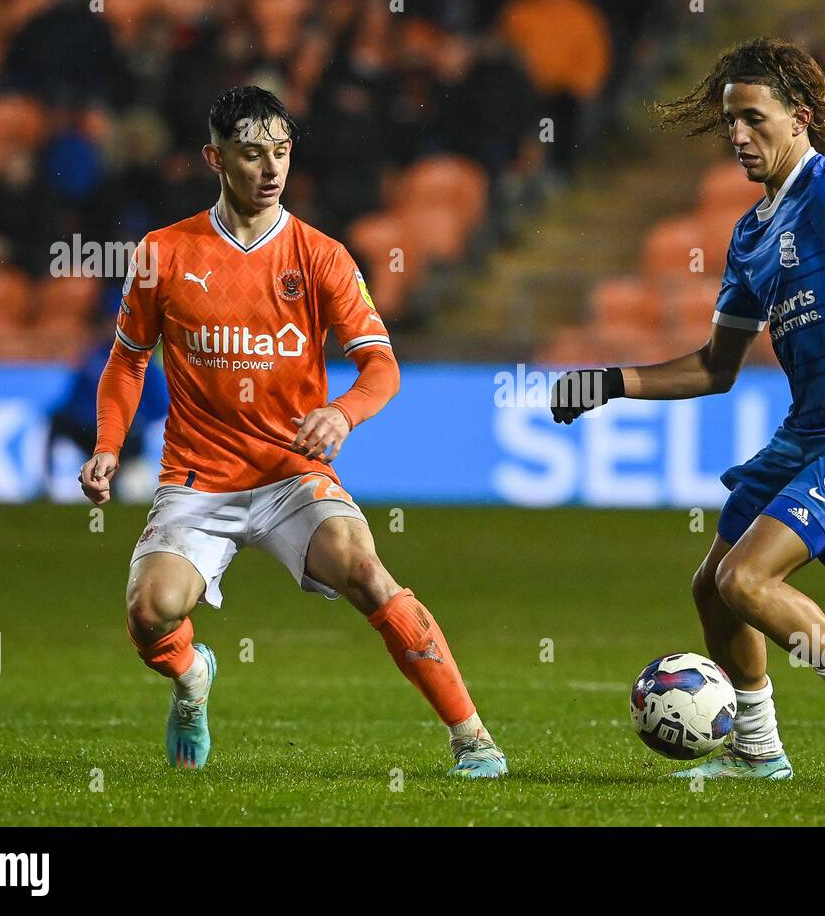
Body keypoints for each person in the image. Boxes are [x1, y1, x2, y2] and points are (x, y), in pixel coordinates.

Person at [550, 39, 825, 784]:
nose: (738, 136)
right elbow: (716, 369)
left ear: (799, 118)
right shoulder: (751, 234)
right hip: (806, 435)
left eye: (753, 118)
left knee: (747, 582)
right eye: (730, 122)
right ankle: (758, 752)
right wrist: (609, 383)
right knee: (711, 588)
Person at [79, 86, 506, 778]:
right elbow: (126, 361)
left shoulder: (321, 256)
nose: (271, 168)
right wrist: (105, 448)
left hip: (291, 476)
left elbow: (381, 366)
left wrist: (343, 412)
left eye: (280, 151)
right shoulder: (164, 253)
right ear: (215, 158)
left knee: (367, 570)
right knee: (150, 613)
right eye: (252, 154)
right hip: (198, 478)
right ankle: (192, 678)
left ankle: (473, 738)